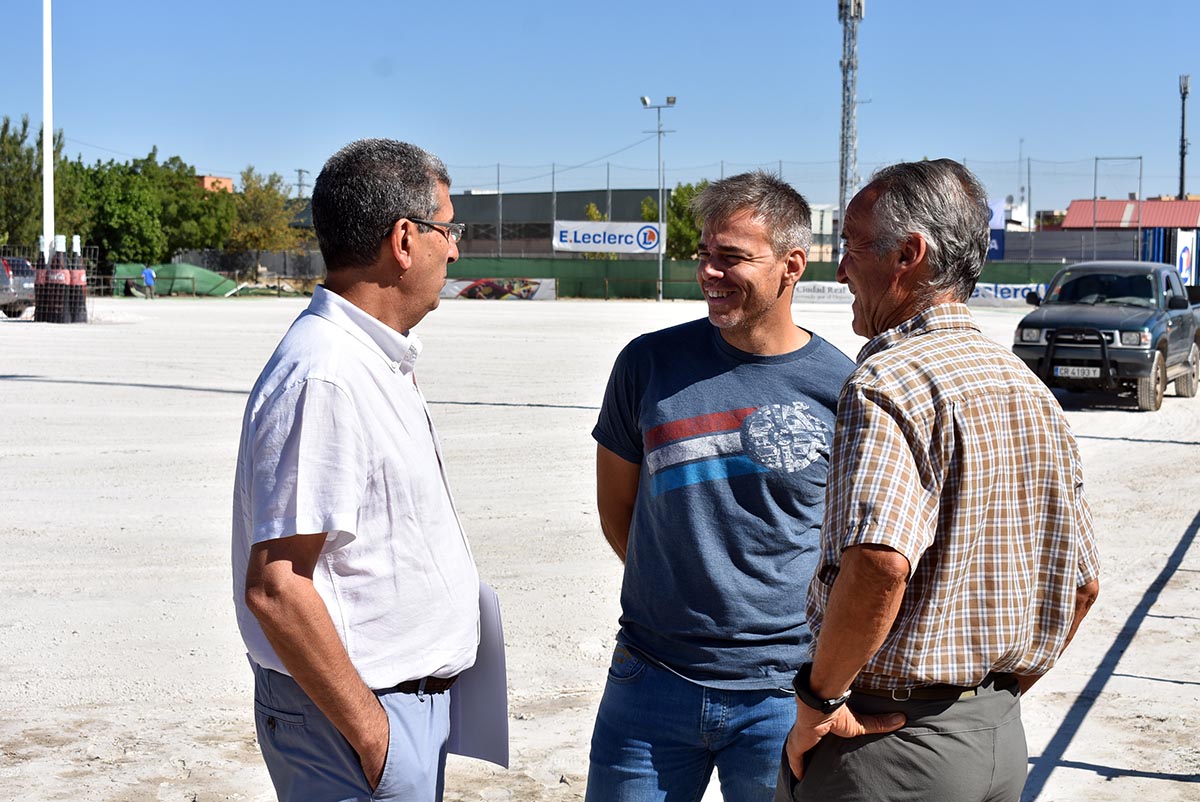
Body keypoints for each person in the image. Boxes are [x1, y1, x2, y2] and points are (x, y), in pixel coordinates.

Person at [779, 159, 1101, 802]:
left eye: (850, 247)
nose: (840, 269)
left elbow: (877, 563)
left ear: (909, 255)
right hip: (995, 740)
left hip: (885, 749)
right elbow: (1084, 584)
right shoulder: (1026, 388)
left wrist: (819, 701)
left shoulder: (888, 382)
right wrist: (987, 700)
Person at [587, 171, 857, 802]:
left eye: (732, 257)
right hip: (649, 682)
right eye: (705, 255)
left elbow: (850, 547)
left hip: (782, 695)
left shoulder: (843, 387)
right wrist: (683, 590)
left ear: (793, 265)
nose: (709, 272)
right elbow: (616, 508)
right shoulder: (646, 365)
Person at [231, 139, 479, 802]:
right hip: (353, 720)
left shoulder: (370, 358)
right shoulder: (327, 375)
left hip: (385, 710)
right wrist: (376, 741)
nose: (454, 249)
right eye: (447, 228)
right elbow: (278, 587)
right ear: (404, 239)